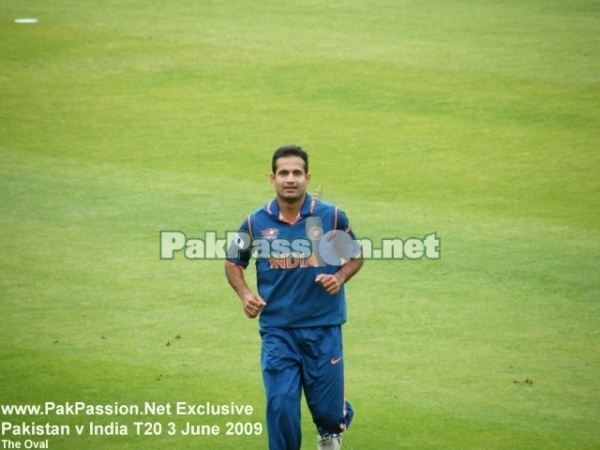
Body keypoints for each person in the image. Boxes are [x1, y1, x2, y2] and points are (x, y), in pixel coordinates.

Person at [224, 145, 363, 450]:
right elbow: (233, 261)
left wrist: (339, 277)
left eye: (297, 173)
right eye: (283, 173)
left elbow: (356, 256)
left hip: (323, 326)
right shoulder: (255, 222)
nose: (290, 179)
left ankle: (332, 426)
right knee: (281, 404)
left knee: (327, 412)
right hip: (278, 330)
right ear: (271, 178)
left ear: (307, 178)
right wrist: (245, 294)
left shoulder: (331, 216)